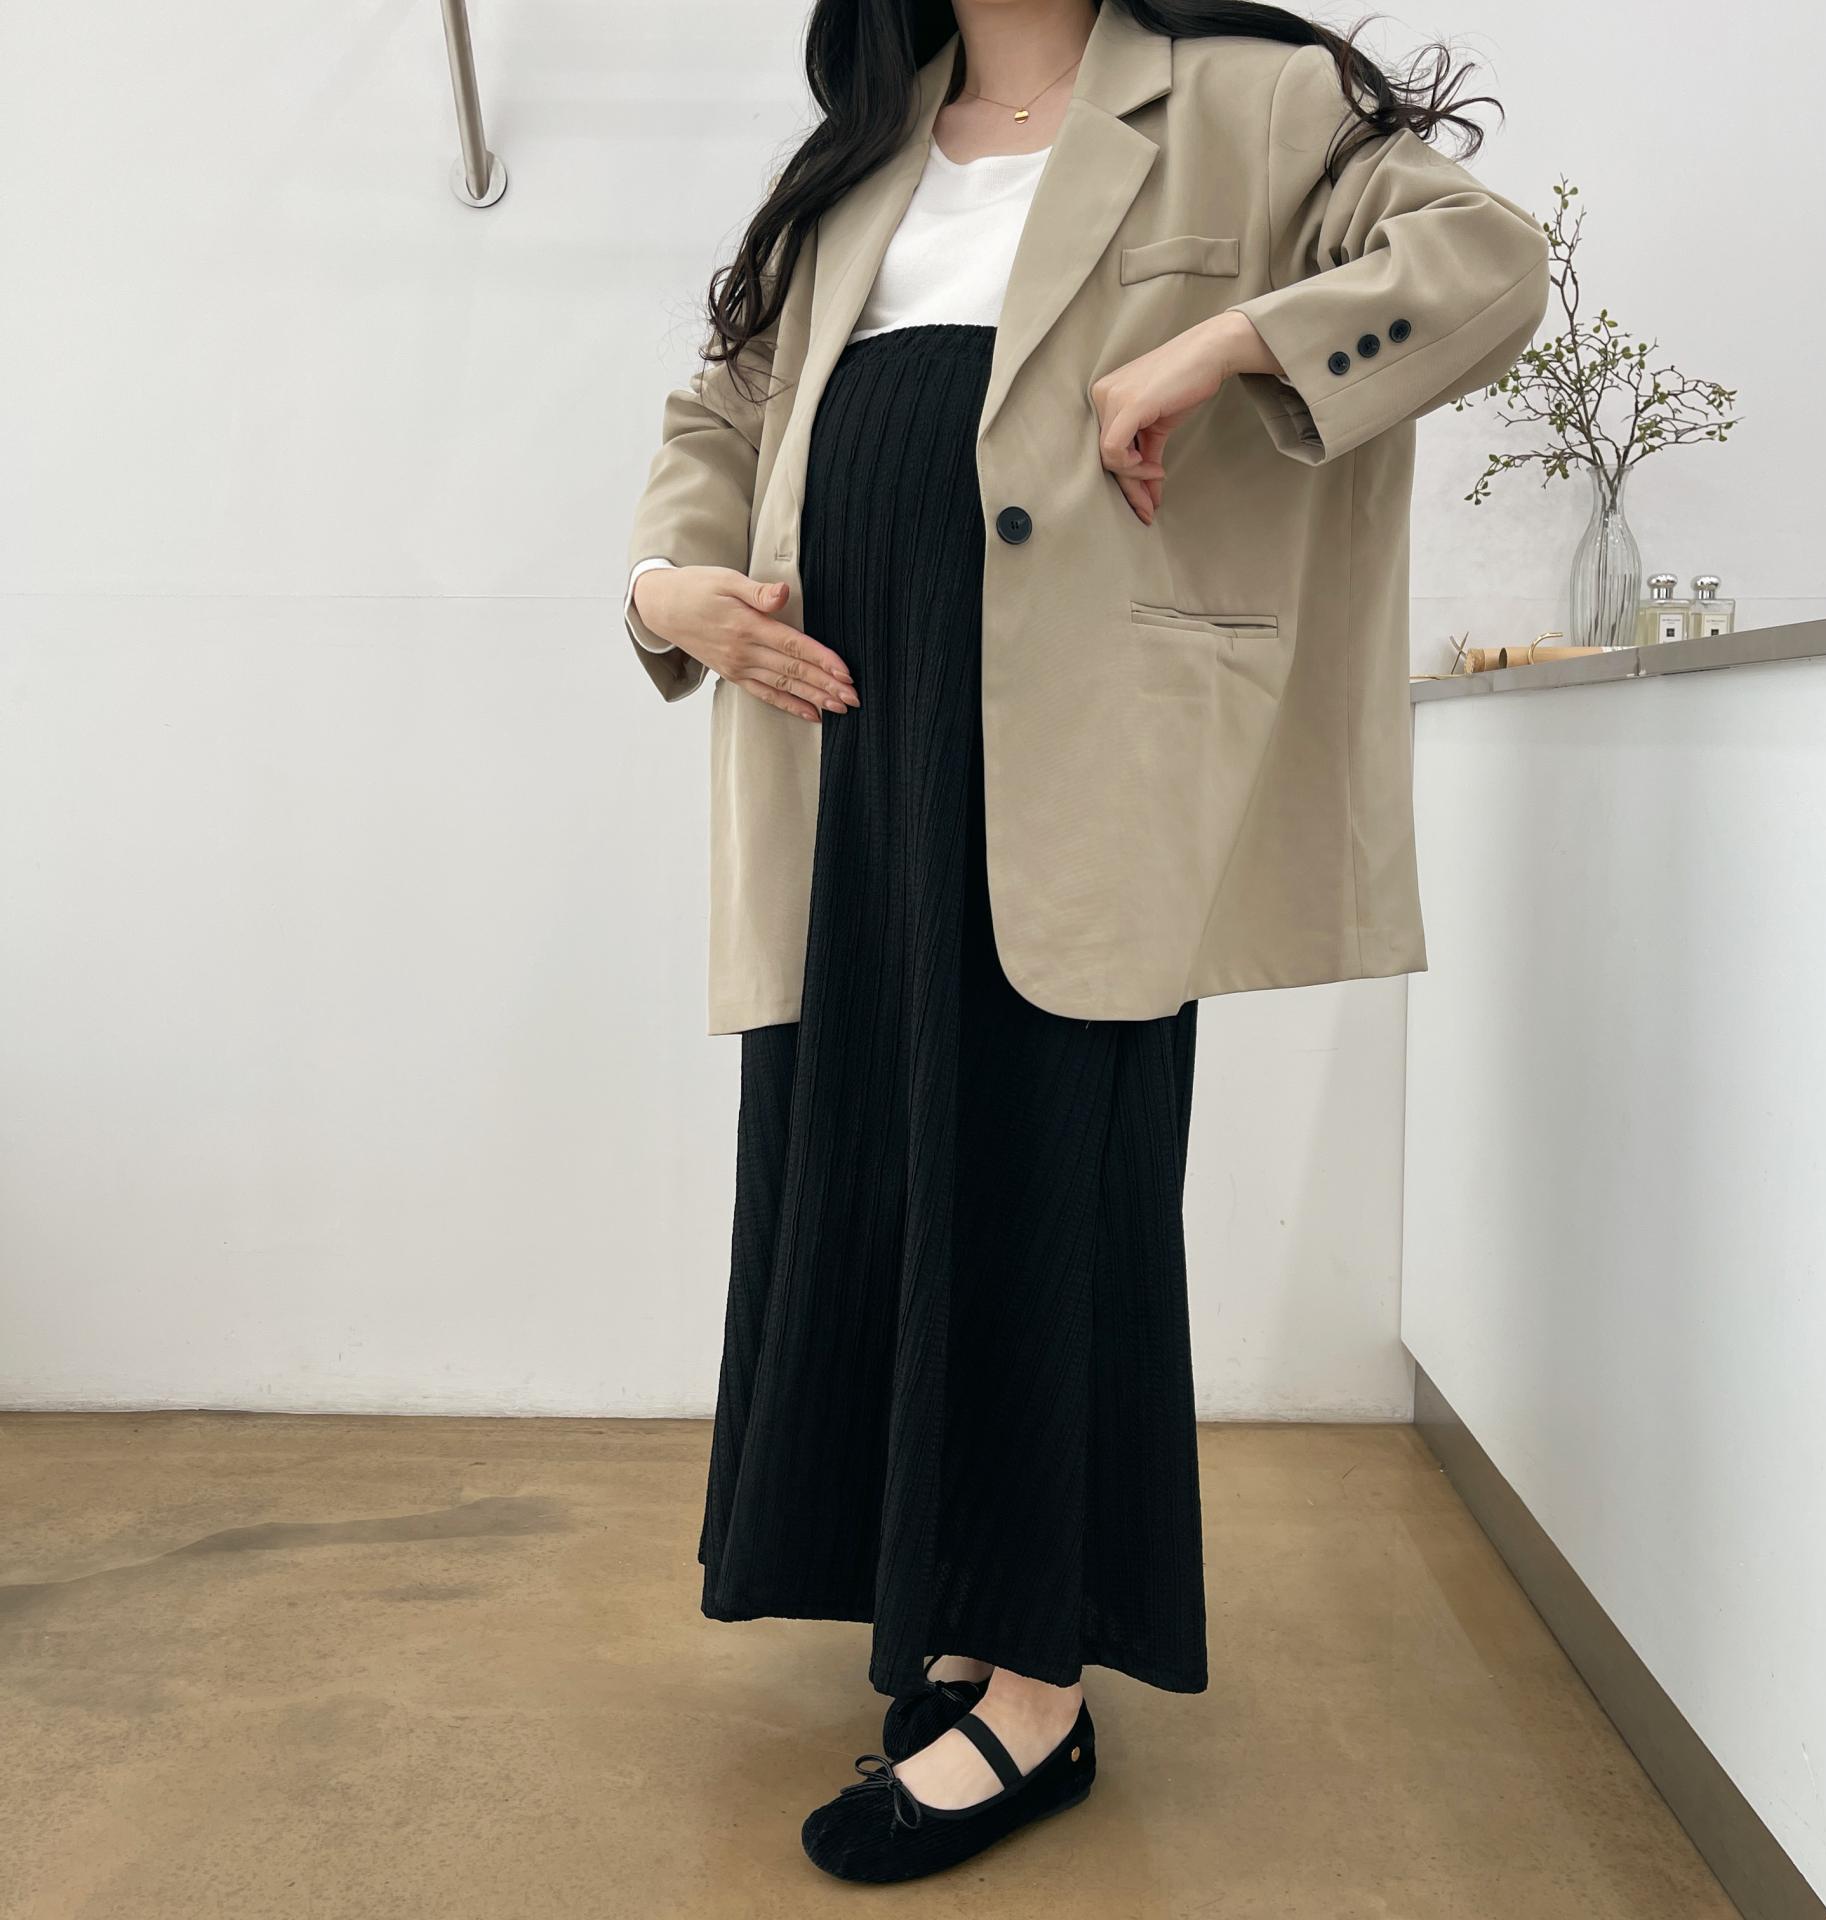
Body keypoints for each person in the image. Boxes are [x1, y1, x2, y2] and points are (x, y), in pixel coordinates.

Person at [622, 0, 1547, 1882]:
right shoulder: (863, 150)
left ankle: (1040, 1696)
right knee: (880, 1172)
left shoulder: (1247, 100)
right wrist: (666, 584)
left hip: (1080, 758)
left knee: (1054, 1179)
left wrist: (1224, 342)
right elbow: (721, 408)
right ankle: (956, 1615)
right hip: (845, 747)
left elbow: (1485, 267)